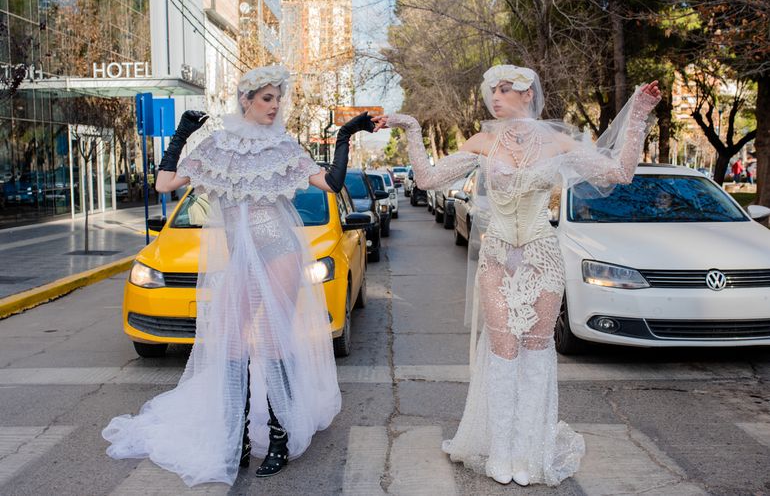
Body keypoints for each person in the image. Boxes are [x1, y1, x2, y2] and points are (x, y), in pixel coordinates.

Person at [377, 65, 660, 487]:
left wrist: (637, 114)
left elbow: (618, 173)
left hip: (543, 257)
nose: (495, 96)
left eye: (505, 89)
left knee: (535, 351)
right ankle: (503, 451)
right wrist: (413, 127)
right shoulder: (483, 142)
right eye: (492, 89)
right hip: (497, 257)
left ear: (528, 94)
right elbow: (428, 178)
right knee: (504, 352)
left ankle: (528, 451)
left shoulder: (559, 141)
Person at [102, 66, 379, 487]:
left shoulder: (284, 146)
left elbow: (332, 181)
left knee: (270, 342)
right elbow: (164, 184)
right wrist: (180, 136)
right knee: (231, 345)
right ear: (246, 100)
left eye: (278, 98)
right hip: (240, 261)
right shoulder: (217, 147)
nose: (275, 106)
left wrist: (343, 136)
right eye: (267, 98)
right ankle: (240, 439)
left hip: (279, 253)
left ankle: (280, 438)